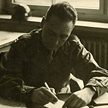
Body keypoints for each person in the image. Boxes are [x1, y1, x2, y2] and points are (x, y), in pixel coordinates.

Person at [0, 2, 108, 108]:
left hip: (61, 102)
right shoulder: (23, 45)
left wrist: (89, 91)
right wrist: (31, 93)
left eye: (63, 36)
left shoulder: (72, 46)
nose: (55, 42)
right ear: (43, 22)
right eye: (51, 33)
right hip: (27, 103)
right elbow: (5, 80)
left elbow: (102, 75)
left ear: (70, 32)